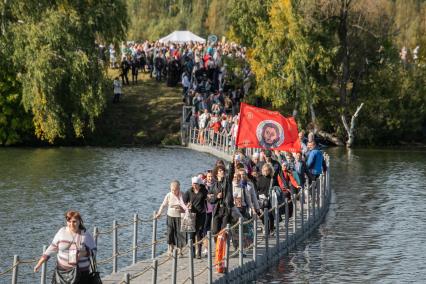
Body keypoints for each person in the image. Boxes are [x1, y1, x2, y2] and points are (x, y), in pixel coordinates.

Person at [33, 210, 96, 283]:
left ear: (79, 221)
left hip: (81, 273)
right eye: (69, 221)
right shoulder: (61, 232)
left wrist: (84, 253)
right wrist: (39, 264)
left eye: (74, 221)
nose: (71, 224)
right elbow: (51, 248)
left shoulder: (85, 235)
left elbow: (94, 251)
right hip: (62, 272)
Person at [156, 180, 188, 256]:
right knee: (170, 232)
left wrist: (181, 208)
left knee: (180, 233)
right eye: (172, 190)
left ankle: (180, 250)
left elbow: (187, 207)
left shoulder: (183, 195)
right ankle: (170, 248)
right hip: (170, 216)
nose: (174, 191)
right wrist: (159, 213)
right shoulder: (169, 195)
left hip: (180, 217)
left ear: (179, 188)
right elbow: (163, 205)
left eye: (175, 190)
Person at [184, 176, 208, 259]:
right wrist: (188, 205)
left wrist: (209, 198)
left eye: (196, 184)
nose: (195, 186)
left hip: (201, 214)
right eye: (193, 184)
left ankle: (199, 253)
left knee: (199, 234)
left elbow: (208, 198)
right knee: (191, 235)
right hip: (191, 215)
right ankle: (192, 252)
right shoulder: (188, 192)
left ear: (199, 184)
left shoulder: (203, 191)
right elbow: (184, 201)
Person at [208, 165, 234, 237]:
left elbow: (231, 173)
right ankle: (217, 246)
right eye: (220, 171)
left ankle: (223, 247)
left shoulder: (227, 181)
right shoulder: (213, 186)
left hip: (226, 209)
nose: (222, 172)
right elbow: (209, 199)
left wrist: (232, 163)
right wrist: (217, 197)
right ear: (217, 174)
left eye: (223, 170)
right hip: (217, 210)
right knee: (215, 231)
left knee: (223, 231)